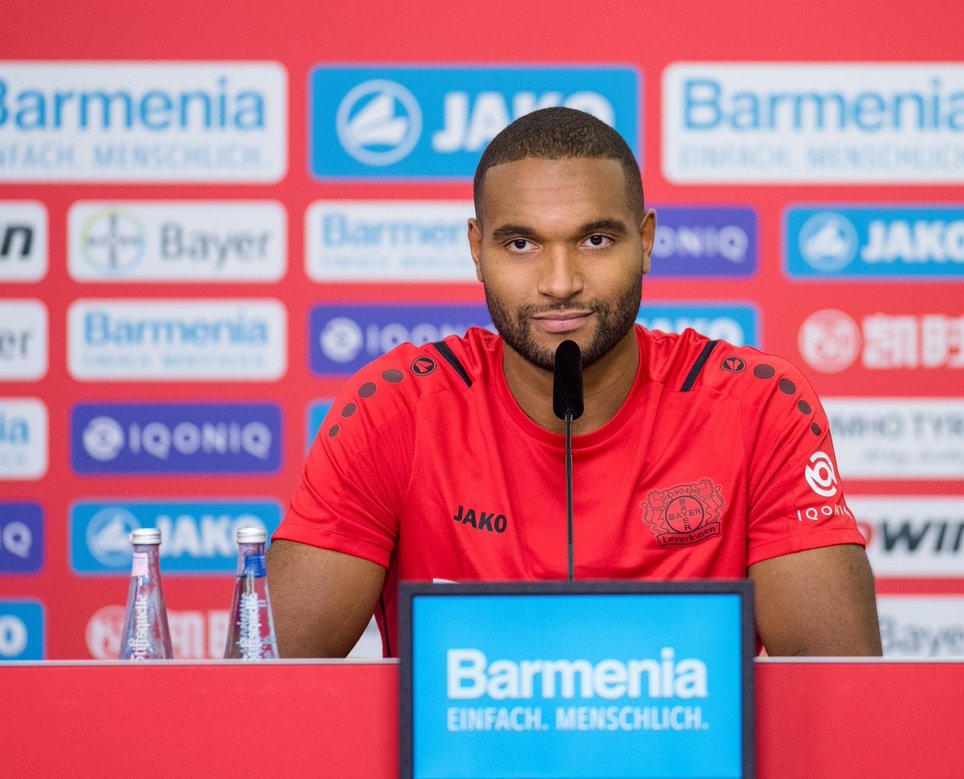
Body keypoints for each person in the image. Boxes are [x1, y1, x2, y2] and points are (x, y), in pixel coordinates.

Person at [267, 107, 882, 658]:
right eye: (521, 243)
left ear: (644, 242)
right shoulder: (395, 408)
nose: (560, 282)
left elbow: (836, 700)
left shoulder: (757, 405)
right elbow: (259, 691)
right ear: (478, 250)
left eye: (595, 239)